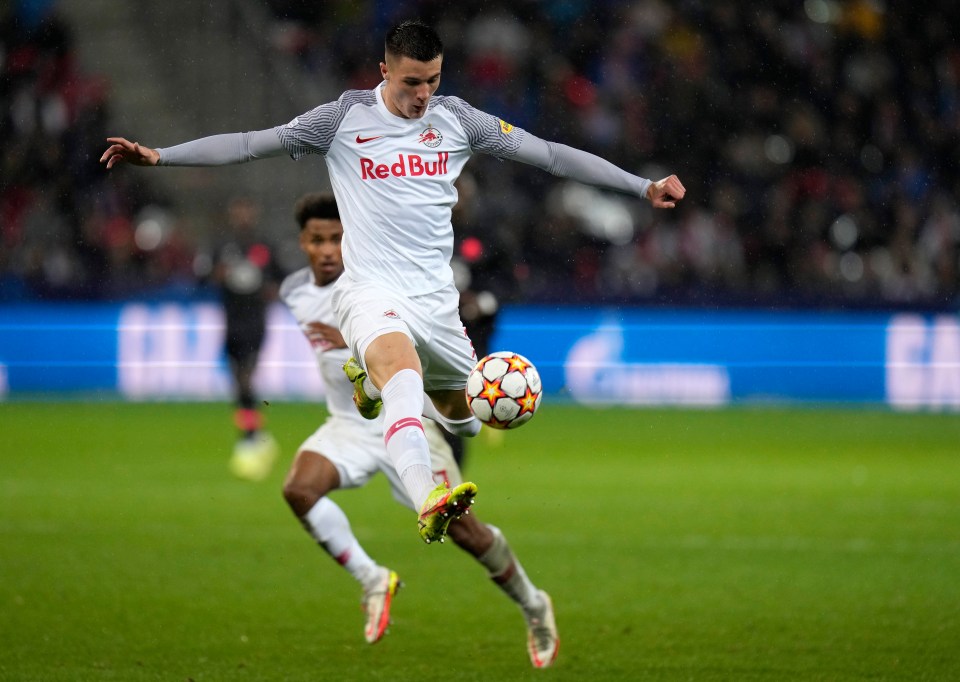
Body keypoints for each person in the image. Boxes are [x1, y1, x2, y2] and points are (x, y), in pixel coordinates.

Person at [100, 19, 686, 544]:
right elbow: (254, 144)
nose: (422, 95)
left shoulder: (459, 120)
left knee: (463, 419)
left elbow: (552, 155)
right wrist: (160, 156)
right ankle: (428, 493)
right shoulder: (341, 120)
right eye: (411, 82)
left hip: (436, 302)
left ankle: (374, 387)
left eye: (432, 80)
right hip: (370, 292)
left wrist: (643, 186)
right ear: (384, 71)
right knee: (404, 378)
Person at [279, 191, 559, 667]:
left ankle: (533, 603)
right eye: (316, 240)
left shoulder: (381, 284)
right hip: (347, 425)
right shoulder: (295, 291)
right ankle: (373, 579)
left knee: (468, 534)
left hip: (410, 426)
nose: (327, 250)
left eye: (336, 238)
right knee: (299, 490)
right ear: (302, 243)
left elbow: (418, 359)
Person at [208, 196, 283, 481]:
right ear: (232, 214)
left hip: (255, 322)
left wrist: (271, 289)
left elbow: (281, 277)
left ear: (253, 213)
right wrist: (219, 274)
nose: (242, 216)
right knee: (238, 383)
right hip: (230, 323)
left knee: (245, 380)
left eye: (246, 210)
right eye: (238, 210)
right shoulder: (222, 247)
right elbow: (203, 278)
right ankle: (255, 434)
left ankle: (249, 438)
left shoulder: (263, 247)